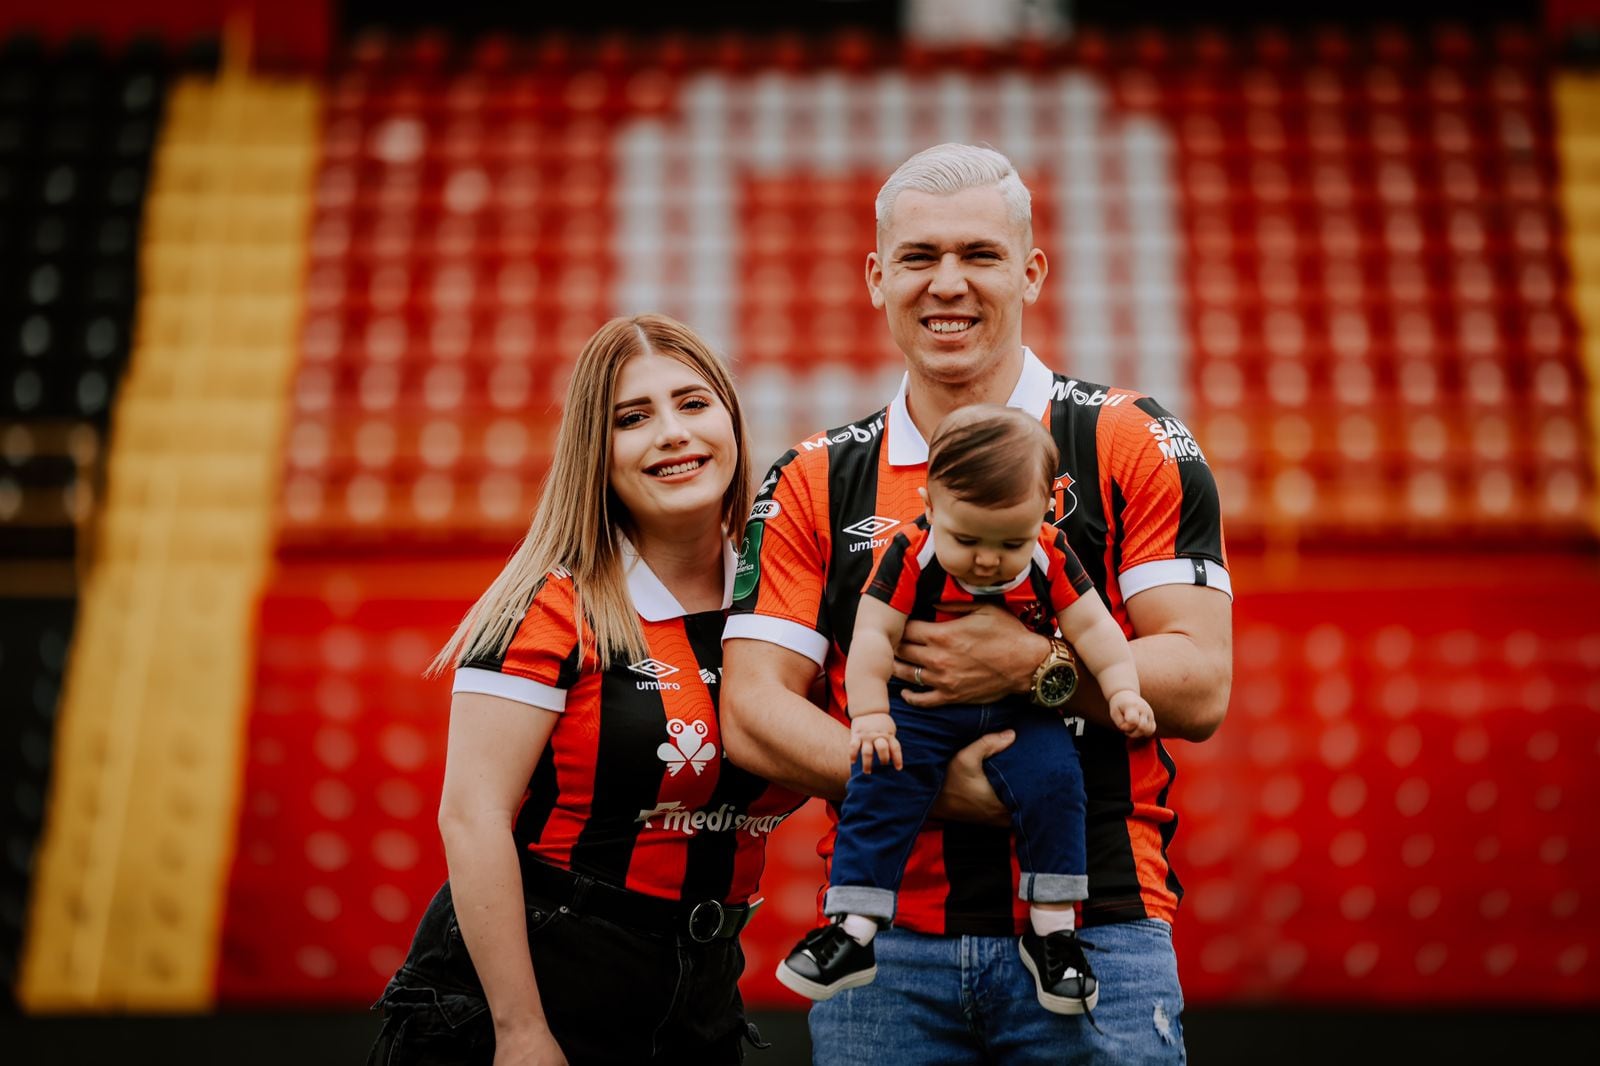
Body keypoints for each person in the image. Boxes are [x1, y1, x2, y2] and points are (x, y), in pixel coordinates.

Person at [722, 143, 1233, 1065]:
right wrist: (926, 785)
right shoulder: (813, 477)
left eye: (979, 256)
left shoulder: (1131, 440)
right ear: (877, 279)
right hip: (887, 960)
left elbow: (1198, 683)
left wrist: (1032, 669)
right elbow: (753, 713)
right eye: (918, 259)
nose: (946, 284)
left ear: (1030, 271)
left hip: (1104, 932)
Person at [369, 313, 799, 1066]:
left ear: (732, 418)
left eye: (693, 403)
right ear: (595, 455)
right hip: (535, 986)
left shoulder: (788, 605)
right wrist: (520, 1030)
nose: (672, 432)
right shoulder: (546, 605)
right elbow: (472, 818)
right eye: (633, 418)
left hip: (703, 994)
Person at [775, 404, 1155, 1016]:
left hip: (1021, 708)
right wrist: (870, 715)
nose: (986, 560)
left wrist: (1123, 690)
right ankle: (855, 927)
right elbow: (872, 634)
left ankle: (1053, 930)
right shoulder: (911, 552)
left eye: (1010, 541)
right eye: (966, 538)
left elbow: (1095, 628)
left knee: (1058, 780)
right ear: (930, 505)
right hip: (922, 707)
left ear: (1044, 516)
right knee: (880, 776)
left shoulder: (1051, 556)